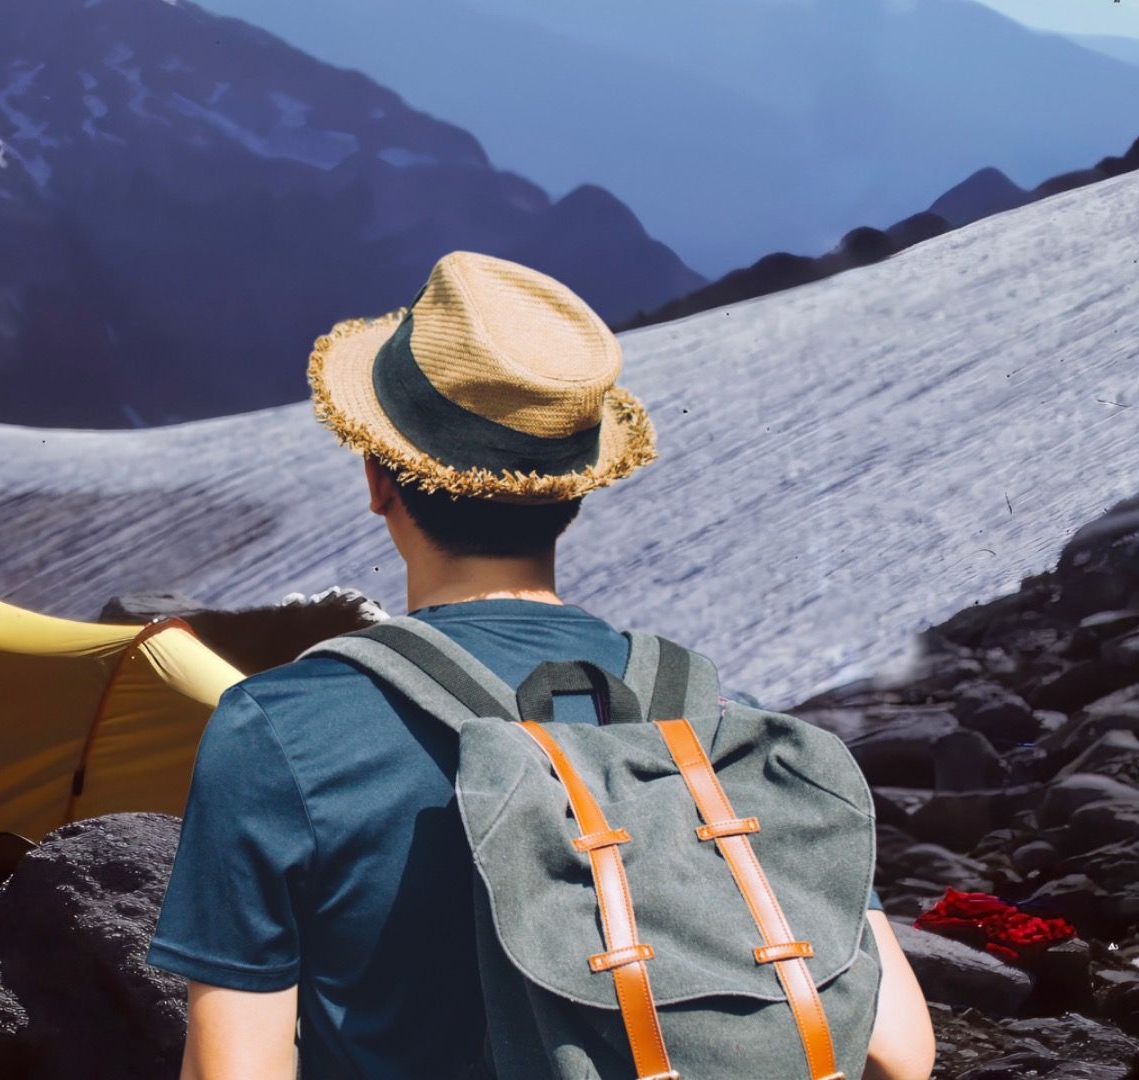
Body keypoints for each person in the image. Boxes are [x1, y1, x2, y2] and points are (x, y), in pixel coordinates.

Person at [145, 252, 935, 1079]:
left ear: (378, 478)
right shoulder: (714, 724)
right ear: (575, 493)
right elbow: (900, 1051)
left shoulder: (281, 727)